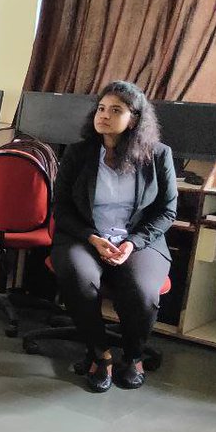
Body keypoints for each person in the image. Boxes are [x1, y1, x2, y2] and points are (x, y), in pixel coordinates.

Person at [51, 81, 177, 392]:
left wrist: (133, 242)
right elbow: (62, 209)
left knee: (143, 291)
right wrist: (92, 238)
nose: (104, 115)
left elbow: (167, 211)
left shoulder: (158, 155)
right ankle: (100, 353)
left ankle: (133, 355)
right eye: (102, 108)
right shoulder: (79, 153)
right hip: (85, 237)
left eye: (115, 110)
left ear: (134, 119)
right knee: (78, 279)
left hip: (138, 240)